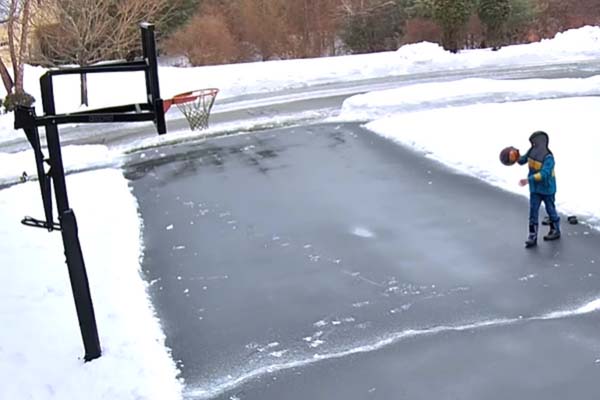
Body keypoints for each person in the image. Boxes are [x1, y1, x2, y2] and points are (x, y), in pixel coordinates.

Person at [517, 131, 560, 248]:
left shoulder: (548, 157)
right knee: (533, 211)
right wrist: (515, 156)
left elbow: (545, 174)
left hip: (547, 189)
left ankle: (555, 229)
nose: (532, 145)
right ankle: (532, 235)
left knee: (550, 209)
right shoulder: (531, 152)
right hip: (535, 189)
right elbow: (522, 160)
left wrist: (528, 180)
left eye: (534, 143)